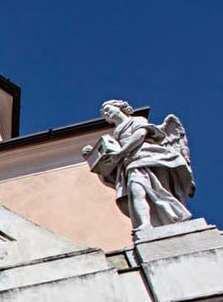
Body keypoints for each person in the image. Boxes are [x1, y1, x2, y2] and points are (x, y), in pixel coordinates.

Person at [83, 99, 196, 231]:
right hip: (130, 163)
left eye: (108, 109)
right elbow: (111, 153)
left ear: (120, 108)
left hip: (149, 157)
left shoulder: (137, 120)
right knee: (135, 190)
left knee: (158, 190)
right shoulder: (115, 134)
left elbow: (140, 135)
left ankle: (172, 216)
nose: (106, 114)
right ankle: (145, 223)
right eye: (104, 114)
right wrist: (94, 155)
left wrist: (121, 152)